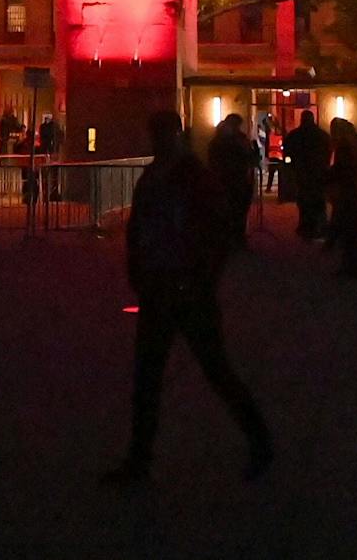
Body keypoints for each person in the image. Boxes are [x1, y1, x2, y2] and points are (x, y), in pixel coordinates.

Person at [103, 110, 271, 486]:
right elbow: (141, 228)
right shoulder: (162, 175)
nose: (158, 140)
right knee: (151, 376)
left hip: (185, 286)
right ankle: (140, 459)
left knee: (212, 369)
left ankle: (259, 439)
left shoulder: (188, 176)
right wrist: (139, 270)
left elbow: (216, 229)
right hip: (162, 286)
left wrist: (202, 278)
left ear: (175, 134)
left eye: (162, 133)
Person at [206, 113, 258, 251]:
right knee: (235, 211)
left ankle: (231, 240)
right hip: (234, 180)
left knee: (233, 211)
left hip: (231, 180)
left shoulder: (219, 141)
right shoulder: (233, 141)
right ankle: (235, 239)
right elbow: (248, 157)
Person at [325, 117, 357, 276]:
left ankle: (351, 265)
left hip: (349, 190)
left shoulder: (345, 145)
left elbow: (341, 168)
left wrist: (328, 177)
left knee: (349, 228)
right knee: (355, 227)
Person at [284, 110, 330, 240]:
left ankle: (305, 226)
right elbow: (328, 151)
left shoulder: (295, 135)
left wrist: (292, 166)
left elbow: (287, 152)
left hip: (302, 172)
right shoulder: (322, 135)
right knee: (318, 200)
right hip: (318, 172)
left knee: (304, 200)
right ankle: (319, 226)